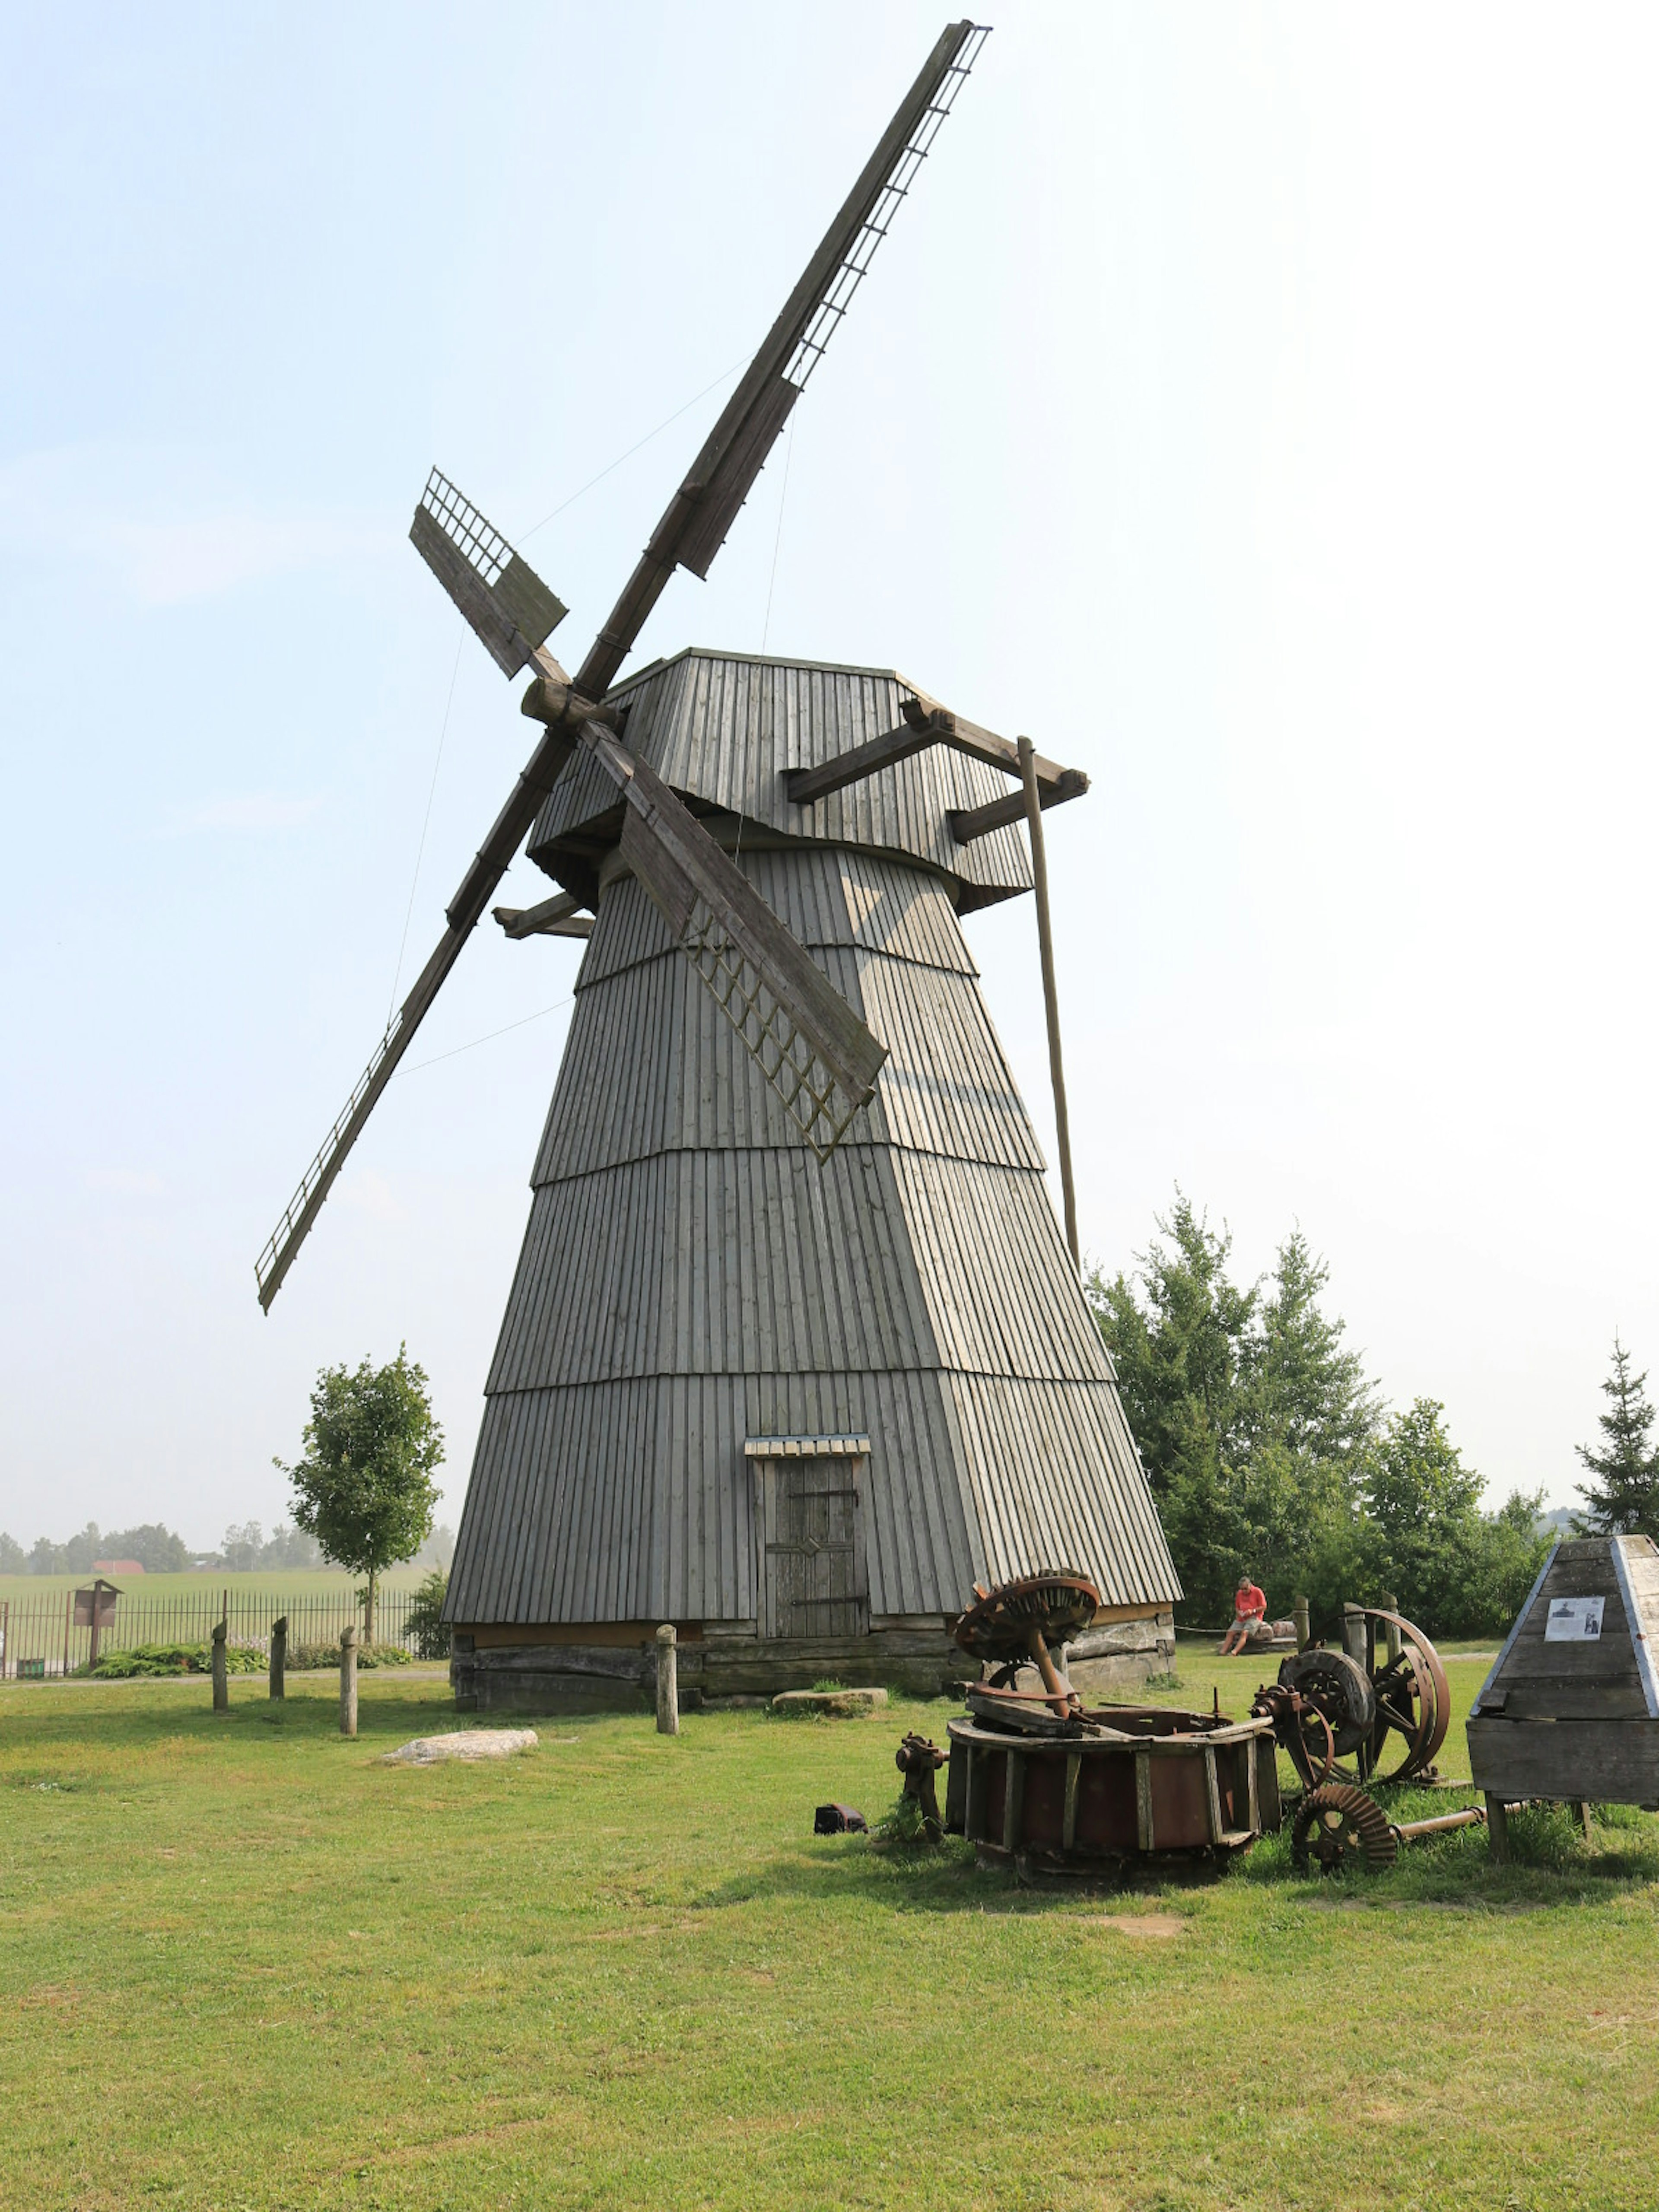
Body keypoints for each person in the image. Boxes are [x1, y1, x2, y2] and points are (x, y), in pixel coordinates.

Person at [1218, 1574, 1268, 1655]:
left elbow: (1264, 1606)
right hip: (1242, 1619)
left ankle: (1234, 1652)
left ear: (1250, 1585)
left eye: (1245, 1589)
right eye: (1242, 1589)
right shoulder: (1239, 1594)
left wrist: (1253, 1611)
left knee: (1245, 1632)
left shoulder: (1257, 1591)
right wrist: (1239, 1613)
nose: (1244, 1591)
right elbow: (1237, 1607)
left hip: (1254, 1618)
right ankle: (1222, 1652)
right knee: (1230, 1632)